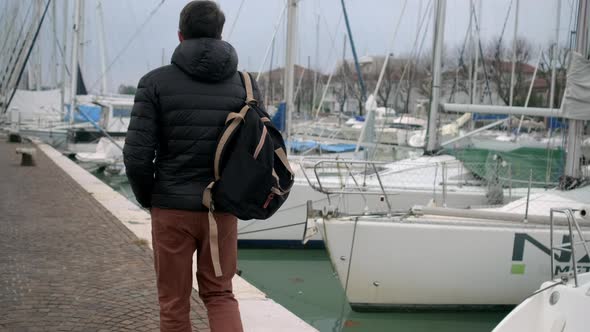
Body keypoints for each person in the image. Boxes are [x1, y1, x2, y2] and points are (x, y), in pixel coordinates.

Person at [123, 1, 262, 331]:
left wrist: (151, 198)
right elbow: (255, 148)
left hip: (171, 207)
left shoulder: (154, 83)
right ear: (220, 34)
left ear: (180, 35)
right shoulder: (246, 84)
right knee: (220, 294)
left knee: (173, 301)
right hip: (221, 207)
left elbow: (136, 155)